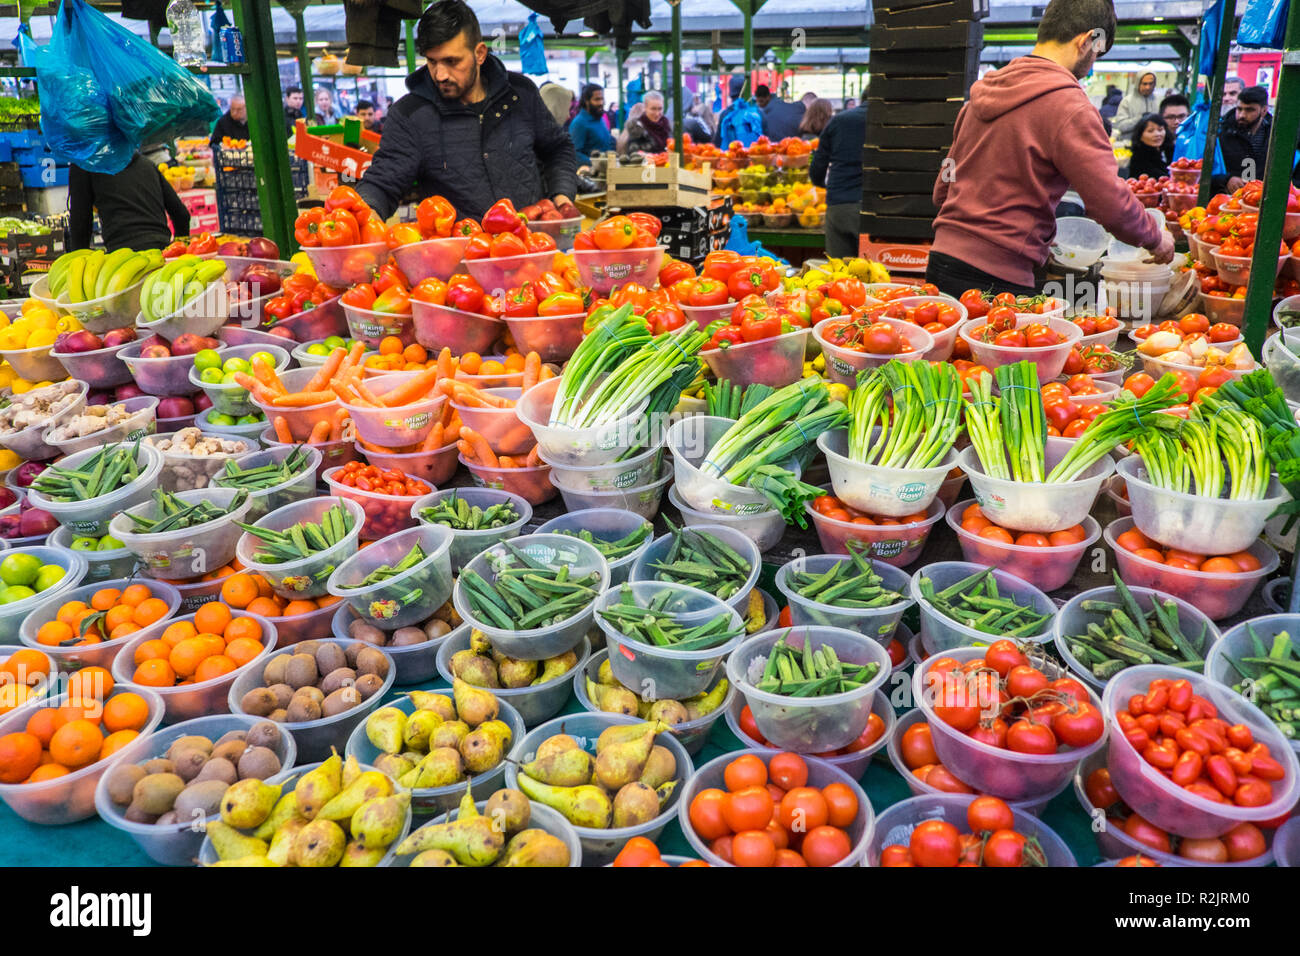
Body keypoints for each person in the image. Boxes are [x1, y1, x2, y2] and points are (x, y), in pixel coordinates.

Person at [927, 0, 1172, 298]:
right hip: (998, 278)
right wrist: (1155, 238)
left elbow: (944, 187)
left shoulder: (980, 98)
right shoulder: (1071, 107)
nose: (1090, 66)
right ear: (1087, 41)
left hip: (941, 261)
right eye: (1096, 54)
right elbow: (1110, 203)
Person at [355, 0, 576, 222]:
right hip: (458, 253)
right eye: (432, 61)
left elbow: (557, 148)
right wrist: (364, 211)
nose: (440, 74)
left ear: (479, 53)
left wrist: (562, 197)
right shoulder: (410, 115)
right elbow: (383, 181)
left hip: (530, 246)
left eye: (452, 61)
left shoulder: (520, 94)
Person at [69, 152, 191, 253]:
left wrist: (79, 264)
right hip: (161, 252)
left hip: (123, 259)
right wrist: (178, 248)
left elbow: (80, 223)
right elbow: (182, 215)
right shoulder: (146, 163)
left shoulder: (84, 166)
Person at [810, 99, 866, 257]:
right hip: (877, 210)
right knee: (876, 274)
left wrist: (826, 185)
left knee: (839, 272)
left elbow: (817, 169)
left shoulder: (839, 120)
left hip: (839, 205)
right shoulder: (890, 121)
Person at [1218, 85, 1272, 192]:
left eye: (1249, 110)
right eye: (1239, 109)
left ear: (1264, 110)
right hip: (1228, 199)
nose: (1242, 115)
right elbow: (1208, 169)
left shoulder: (1273, 134)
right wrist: (1227, 179)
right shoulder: (1222, 131)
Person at [568, 83, 615, 166]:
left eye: (602, 99)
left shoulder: (600, 119)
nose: (601, 103)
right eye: (597, 99)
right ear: (586, 101)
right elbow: (575, 154)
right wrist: (597, 164)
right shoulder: (579, 123)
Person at [617, 91, 670, 156]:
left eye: (660, 109)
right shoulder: (636, 127)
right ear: (645, 108)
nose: (657, 113)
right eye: (653, 109)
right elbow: (634, 155)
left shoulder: (666, 125)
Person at [1113, 71, 1157, 137]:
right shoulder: (1127, 101)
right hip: (1130, 144)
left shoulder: (1158, 101)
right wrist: (1140, 119)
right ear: (1138, 84)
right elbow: (1121, 126)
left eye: (1151, 84)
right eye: (1144, 84)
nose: (1148, 87)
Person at [1128, 114, 1169, 180]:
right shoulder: (1139, 159)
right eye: (1150, 131)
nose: (1157, 134)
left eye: (1160, 129)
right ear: (1140, 135)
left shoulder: (1169, 150)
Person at [713, 74, 748, 145]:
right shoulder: (756, 113)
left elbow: (718, 142)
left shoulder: (725, 115)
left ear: (730, 94)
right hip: (752, 154)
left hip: (731, 154)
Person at [1158, 93, 1189, 164]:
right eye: (1170, 117)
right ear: (1161, 118)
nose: (1176, 122)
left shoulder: (1194, 142)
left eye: (1181, 116)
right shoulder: (1155, 144)